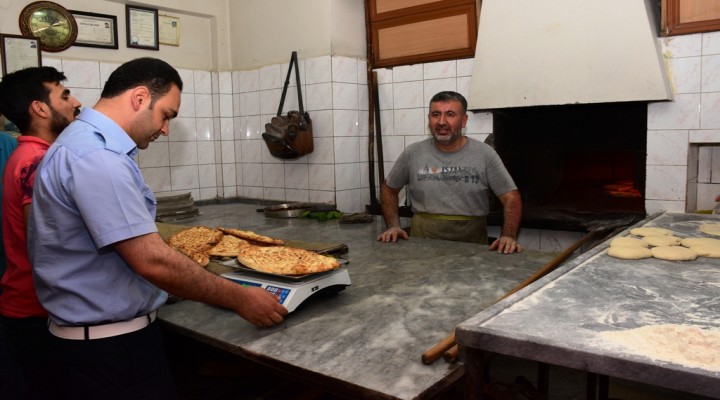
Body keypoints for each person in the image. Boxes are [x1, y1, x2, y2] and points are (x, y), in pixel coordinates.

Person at [27, 58, 287, 399]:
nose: (165, 129)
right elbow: (151, 261)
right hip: (110, 353)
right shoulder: (97, 156)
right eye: (166, 114)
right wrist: (241, 298)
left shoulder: (81, 143)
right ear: (139, 98)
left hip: (98, 344)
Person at [0, 67, 81, 400]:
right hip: (38, 313)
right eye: (64, 95)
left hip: (23, 307)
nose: (75, 102)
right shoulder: (40, 162)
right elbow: (50, 247)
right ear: (40, 108)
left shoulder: (23, 154)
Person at [377, 91, 523, 254]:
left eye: (450, 114)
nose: (441, 122)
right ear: (428, 119)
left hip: (472, 245)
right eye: (435, 114)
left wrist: (508, 236)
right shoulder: (413, 153)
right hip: (422, 244)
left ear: (464, 120)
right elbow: (389, 189)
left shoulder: (484, 154)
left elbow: (511, 197)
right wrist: (393, 226)